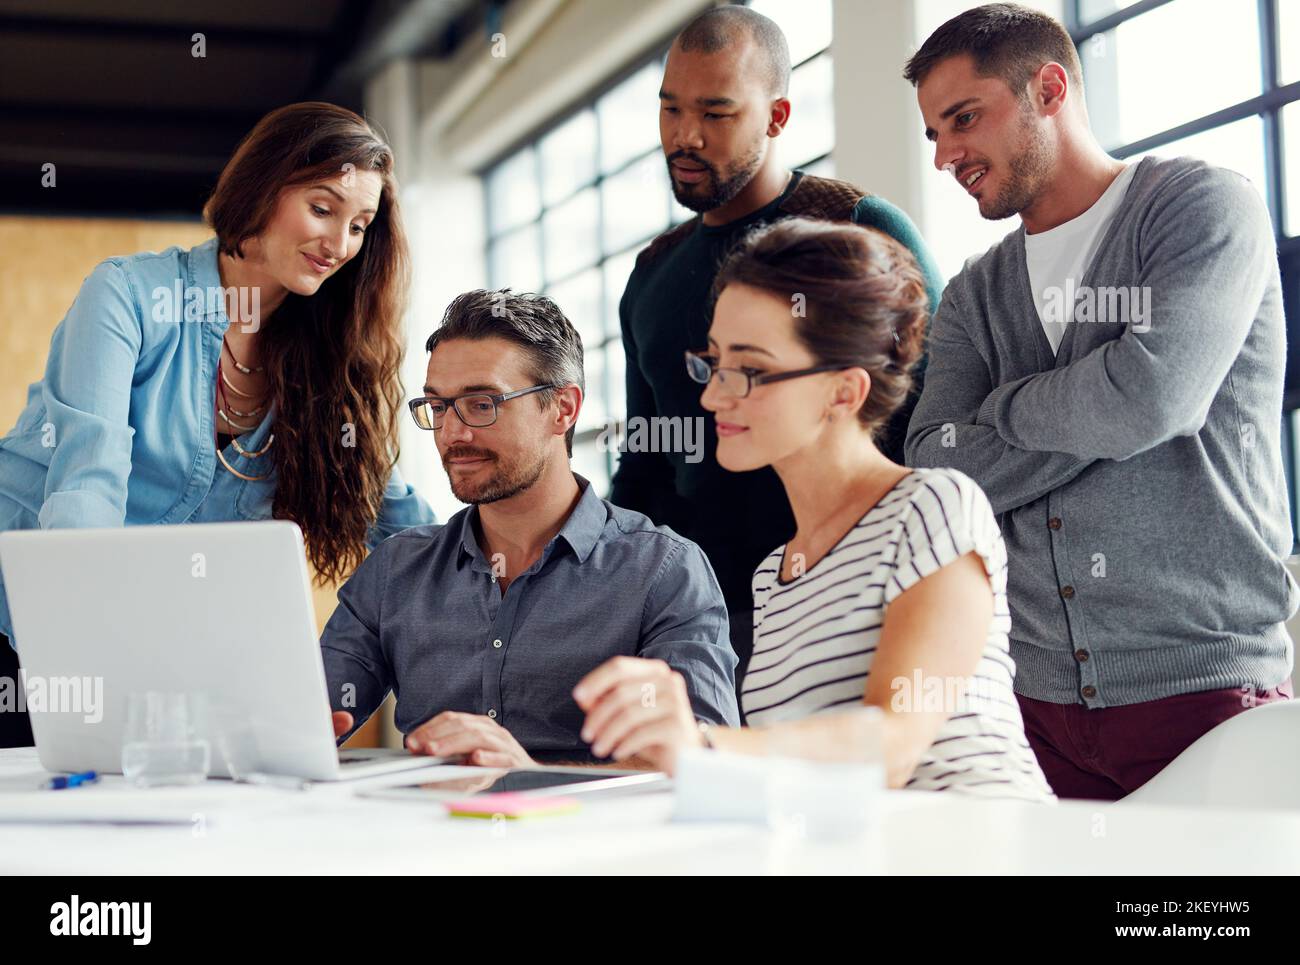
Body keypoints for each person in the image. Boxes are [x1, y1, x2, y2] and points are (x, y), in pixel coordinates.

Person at [901, 4, 1294, 799]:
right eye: (934, 135)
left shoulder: (1201, 208)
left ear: (1049, 88)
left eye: (964, 119)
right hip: (1032, 708)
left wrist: (1000, 408)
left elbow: (1150, 399)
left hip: (1206, 690)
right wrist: (1099, 397)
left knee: (1190, 926)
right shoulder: (977, 289)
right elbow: (935, 461)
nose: (946, 155)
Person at [0, 102, 433, 748]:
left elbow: (402, 525)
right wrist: (96, 666)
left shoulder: (331, 362)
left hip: (150, 656)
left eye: (359, 225)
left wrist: (502, 569)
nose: (340, 244)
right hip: (29, 623)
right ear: (263, 186)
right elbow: (85, 494)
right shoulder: (128, 296)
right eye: (323, 208)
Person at [575, 219, 1053, 801]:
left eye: (748, 370)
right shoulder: (775, 574)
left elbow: (894, 743)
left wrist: (700, 746)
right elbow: (790, 777)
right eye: (714, 360)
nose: (711, 395)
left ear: (843, 392)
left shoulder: (932, 508)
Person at [609, 5, 946, 696]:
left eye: (717, 113)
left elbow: (938, 413)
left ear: (779, 115)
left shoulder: (855, 226)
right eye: (670, 110)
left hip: (852, 594)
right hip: (701, 616)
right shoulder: (651, 274)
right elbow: (646, 465)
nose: (685, 136)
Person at [323, 290, 739, 765]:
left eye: (481, 404)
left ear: (563, 408)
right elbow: (312, 710)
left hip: (589, 836)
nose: (453, 434)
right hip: (427, 831)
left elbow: (703, 765)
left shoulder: (662, 571)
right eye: (438, 407)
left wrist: (529, 775)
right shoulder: (396, 570)